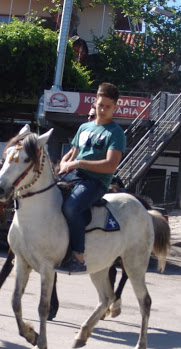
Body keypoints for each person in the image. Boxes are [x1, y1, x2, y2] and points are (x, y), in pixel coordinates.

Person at [55, 83, 126, 275]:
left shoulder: (115, 133)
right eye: (100, 105)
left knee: (71, 207)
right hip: (73, 175)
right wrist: (63, 163)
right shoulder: (84, 127)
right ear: (95, 101)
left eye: (107, 107)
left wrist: (78, 164)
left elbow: (111, 165)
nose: (102, 110)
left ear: (116, 107)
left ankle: (79, 257)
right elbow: (73, 153)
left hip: (95, 182)